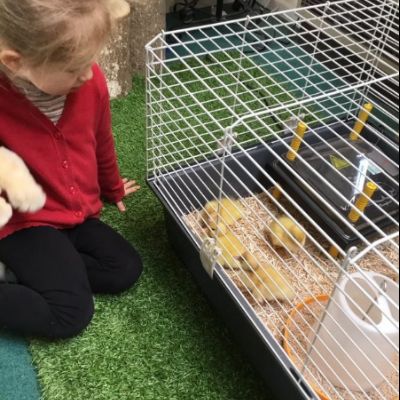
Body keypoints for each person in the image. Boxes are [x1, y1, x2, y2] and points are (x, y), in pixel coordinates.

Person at [0, 0, 143, 339]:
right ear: (16, 62)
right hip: (24, 222)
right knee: (70, 314)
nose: (88, 73)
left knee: (125, 268)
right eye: (73, 67)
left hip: (73, 214)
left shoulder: (90, 84)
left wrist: (112, 187)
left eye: (90, 60)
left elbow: (101, 140)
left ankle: (32, 271)